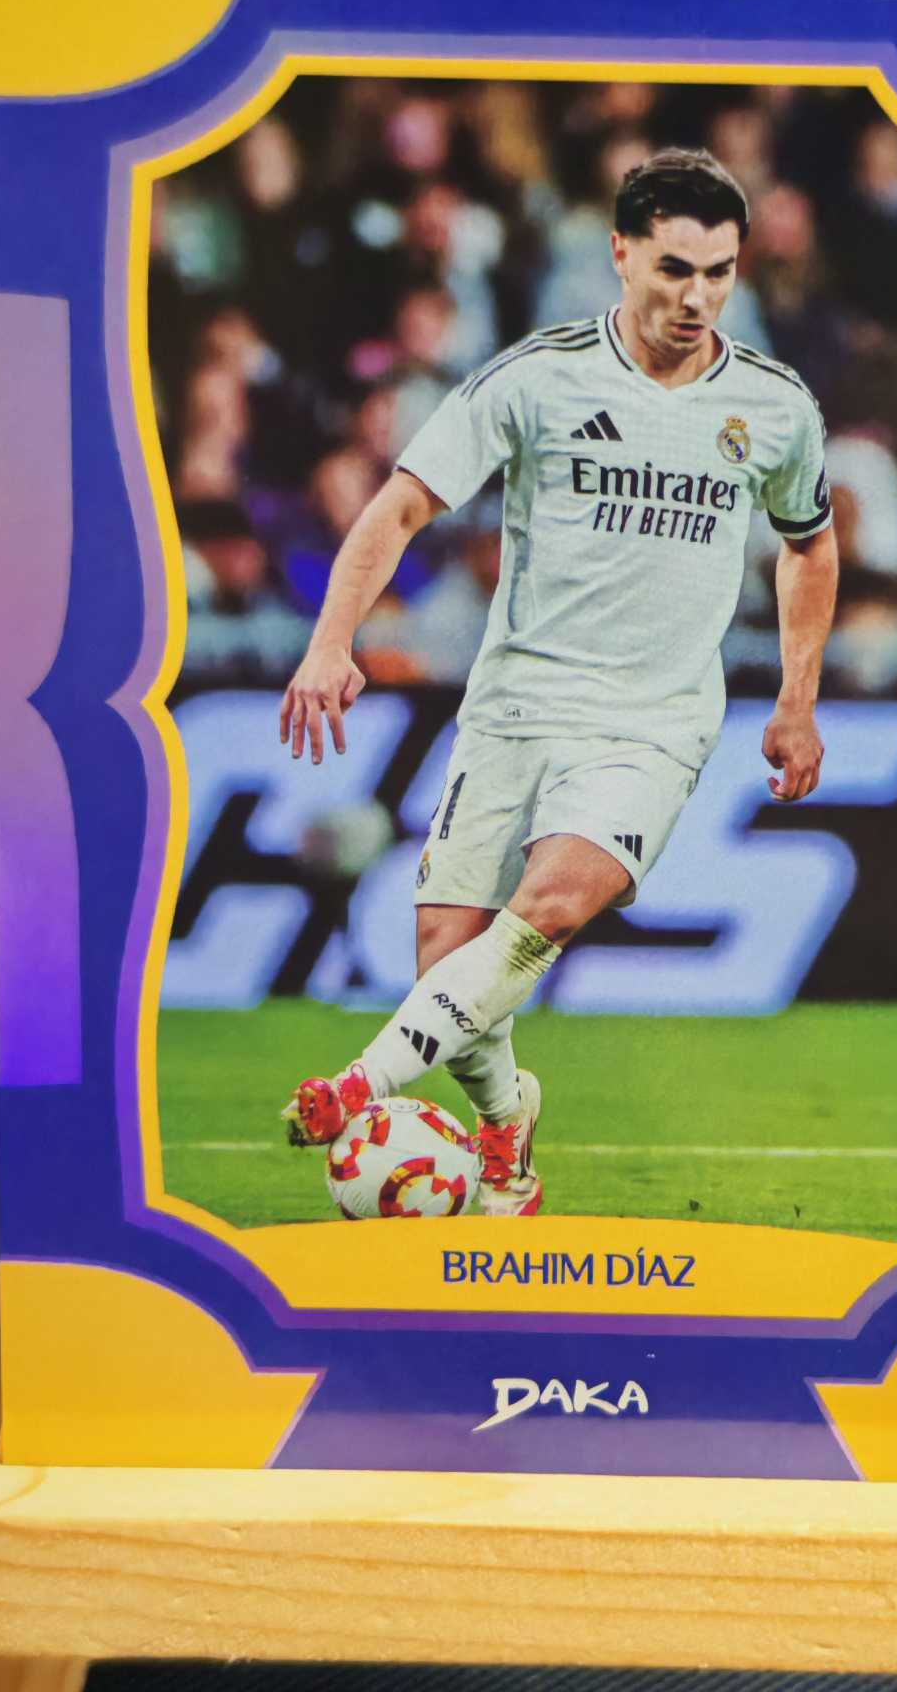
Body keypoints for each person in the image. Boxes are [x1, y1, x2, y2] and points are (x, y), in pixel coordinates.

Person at [278, 148, 837, 1215]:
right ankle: (505, 1123)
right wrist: (331, 640)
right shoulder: (536, 377)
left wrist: (796, 699)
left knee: (548, 906)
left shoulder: (773, 406)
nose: (697, 297)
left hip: (654, 721)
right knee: (446, 952)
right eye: (674, 268)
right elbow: (401, 505)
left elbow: (809, 544)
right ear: (620, 253)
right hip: (517, 704)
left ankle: (359, 1084)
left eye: (720, 272)